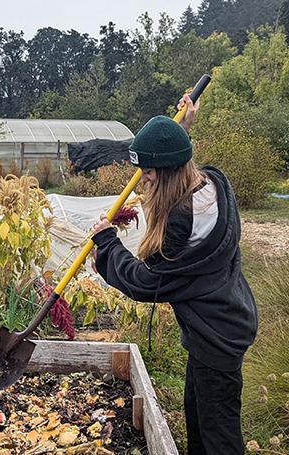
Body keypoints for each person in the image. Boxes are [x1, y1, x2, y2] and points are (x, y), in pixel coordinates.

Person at [90, 97, 257, 454]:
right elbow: (176, 164)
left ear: (166, 171)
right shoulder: (211, 183)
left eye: (149, 172)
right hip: (220, 321)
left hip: (216, 334)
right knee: (199, 420)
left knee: (219, 434)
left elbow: (147, 281)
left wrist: (107, 245)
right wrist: (178, 133)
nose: (144, 179)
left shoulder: (181, 218)